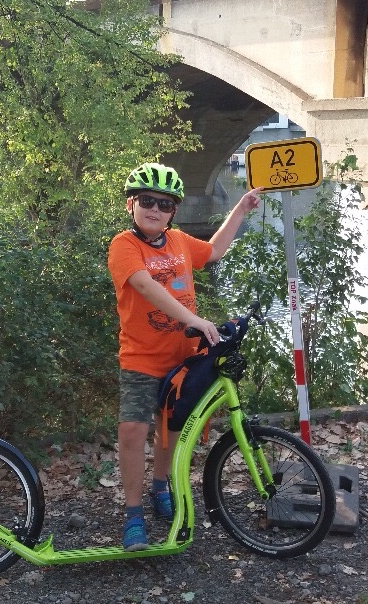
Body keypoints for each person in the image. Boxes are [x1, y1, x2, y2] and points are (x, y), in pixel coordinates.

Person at [107, 162, 262, 551]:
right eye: (147, 201)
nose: (155, 210)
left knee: (171, 431)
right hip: (141, 359)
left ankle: (162, 489)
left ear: (173, 211)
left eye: (164, 204)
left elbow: (212, 251)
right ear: (131, 204)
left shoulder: (177, 240)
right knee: (133, 431)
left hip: (182, 359)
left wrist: (240, 209)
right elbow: (143, 285)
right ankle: (133, 515)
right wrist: (193, 318)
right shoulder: (124, 245)